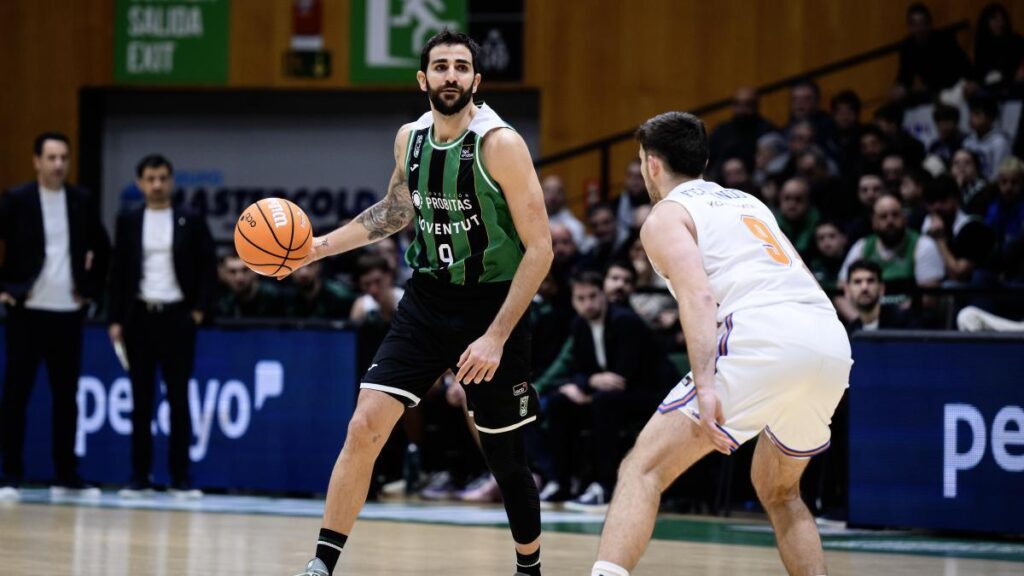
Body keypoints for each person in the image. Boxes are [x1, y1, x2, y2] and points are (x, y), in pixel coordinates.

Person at [289, 30, 553, 576]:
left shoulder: (499, 144)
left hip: (493, 304)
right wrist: (315, 248)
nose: (450, 76)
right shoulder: (409, 138)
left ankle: (530, 567)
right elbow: (393, 213)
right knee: (364, 426)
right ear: (423, 79)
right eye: (440, 66)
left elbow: (541, 249)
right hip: (428, 299)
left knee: (503, 455)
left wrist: (496, 336)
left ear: (476, 81)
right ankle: (321, 564)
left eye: (461, 67)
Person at [591, 112, 851, 576]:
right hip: (827, 340)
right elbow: (802, 273)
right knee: (779, 489)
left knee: (642, 469)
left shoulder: (665, 216)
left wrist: (707, 386)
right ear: (704, 161)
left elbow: (698, 295)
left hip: (763, 337)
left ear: (651, 165)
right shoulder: (749, 203)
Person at [0, 132, 110, 499]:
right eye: (51, 157)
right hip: (27, 311)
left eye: (63, 157)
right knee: (16, 395)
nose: (58, 164)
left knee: (67, 397)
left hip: (67, 312)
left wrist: (89, 289)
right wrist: (7, 288)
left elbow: (103, 248)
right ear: (36, 161)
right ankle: (10, 475)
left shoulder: (80, 200)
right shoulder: (17, 199)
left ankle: (65, 474)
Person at [107, 154, 216, 498]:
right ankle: (139, 475)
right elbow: (118, 272)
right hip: (140, 317)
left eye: (163, 178)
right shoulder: (128, 220)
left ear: (171, 181)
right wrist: (114, 319)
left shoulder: (190, 219)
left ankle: (180, 477)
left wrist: (198, 311)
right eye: (150, 178)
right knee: (141, 400)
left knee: (179, 398)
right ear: (140, 183)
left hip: (177, 317)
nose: (157, 184)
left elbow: (208, 268)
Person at [541, 270, 664, 512]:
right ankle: (560, 482)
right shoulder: (579, 325)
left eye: (592, 296)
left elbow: (623, 377)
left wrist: (586, 385)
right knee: (559, 403)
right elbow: (577, 370)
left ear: (603, 296)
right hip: (605, 396)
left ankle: (605, 486)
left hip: (650, 395)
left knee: (604, 402)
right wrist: (586, 383)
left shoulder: (624, 321)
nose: (588, 303)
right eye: (581, 298)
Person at [894, 3, 972, 100]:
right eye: (914, 24)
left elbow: (964, 64)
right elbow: (905, 75)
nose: (919, 28)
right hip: (933, 94)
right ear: (909, 27)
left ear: (929, 24)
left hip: (956, 88)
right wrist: (900, 88)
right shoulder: (907, 46)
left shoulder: (944, 39)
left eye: (922, 23)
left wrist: (969, 83)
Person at [708, 87, 777, 175]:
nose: (742, 109)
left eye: (748, 104)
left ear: (756, 106)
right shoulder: (721, 131)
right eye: (737, 104)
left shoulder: (768, 131)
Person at [844, 260, 917, 332]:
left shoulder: (904, 323)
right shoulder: (849, 333)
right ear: (847, 290)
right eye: (857, 282)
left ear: (881, 288)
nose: (864, 287)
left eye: (870, 281)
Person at [963, 93, 1012, 182]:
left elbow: (998, 175)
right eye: (971, 113)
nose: (972, 118)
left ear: (990, 118)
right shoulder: (968, 141)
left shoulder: (1000, 142)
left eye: (977, 114)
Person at [542, 174, 588, 249]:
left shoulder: (575, 227)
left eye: (558, 191)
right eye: (548, 191)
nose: (553, 196)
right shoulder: (530, 222)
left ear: (564, 195)